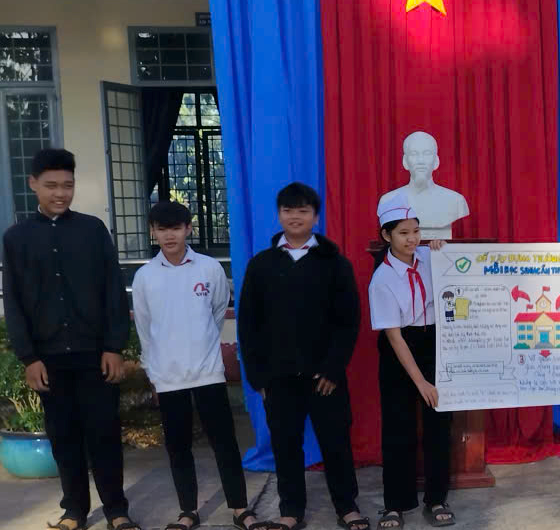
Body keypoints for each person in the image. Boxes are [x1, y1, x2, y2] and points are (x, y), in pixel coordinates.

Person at [2, 148, 138, 530]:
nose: (60, 193)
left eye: (68, 185)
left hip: (95, 354)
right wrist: (29, 357)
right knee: (64, 437)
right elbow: (14, 302)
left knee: (104, 434)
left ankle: (117, 510)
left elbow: (113, 291)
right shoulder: (16, 238)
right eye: (51, 186)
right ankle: (74, 511)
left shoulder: (93, 230)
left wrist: (114, 346)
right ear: (33, 184)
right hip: (48, 358)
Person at [237, 183, 368, 530]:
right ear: (279, 214)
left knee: (336, 443)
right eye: (288, 210)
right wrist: (258, 377)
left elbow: (348, 321)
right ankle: (291, 510)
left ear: (316, 217)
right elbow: (248, 325)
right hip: (278, 378)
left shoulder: (334, 264)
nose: (295, 217)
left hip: (325, 377)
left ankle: (347, 507)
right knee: (285, 446)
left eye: (303, 210)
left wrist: (333, 369)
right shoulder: (261, 265)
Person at [132, 201, 265, 530]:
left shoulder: (209, 268)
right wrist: (153, 371)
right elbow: (145, 329)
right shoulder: (145, 277)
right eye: (162, 229)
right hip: (168, 376)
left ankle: (240, 508)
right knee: (178, 447)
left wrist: (202, 348)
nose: (169, 236)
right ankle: (187, 511)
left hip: (208, 373)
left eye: (176, 228)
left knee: (224, 443)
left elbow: (217, 312)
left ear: (188, 229)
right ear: (153, 232)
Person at [369, 192, 455, 529]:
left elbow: (458, 270)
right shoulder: (382, 279)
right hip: (400, 349)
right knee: (398, 428)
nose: (412, 239)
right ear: (386, 235)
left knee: (439, 427)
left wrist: (443, 251)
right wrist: (421, 382)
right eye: (403, 233)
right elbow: (394, 337)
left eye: (416, 231)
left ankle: (437, 498)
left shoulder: (430, 257)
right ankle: (396, 503)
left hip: (434, 342)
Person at [377, 131, 470, 239]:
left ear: (436, 161)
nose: (420, 161)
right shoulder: (388, 201)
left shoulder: (456, 201)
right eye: (414, 154)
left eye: (427, 154)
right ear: (405, 161)